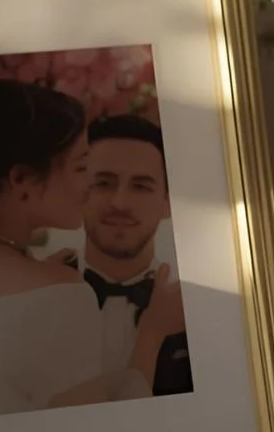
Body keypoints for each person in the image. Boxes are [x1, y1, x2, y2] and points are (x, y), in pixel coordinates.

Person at [0, 80, 184, 419]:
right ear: (21, 180)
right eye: (82, 167)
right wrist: (151, 336)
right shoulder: (60, 295)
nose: (90, 186)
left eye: (141, 186)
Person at [81, 113, 193, 396]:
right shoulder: (35, 296)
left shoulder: (199, 310)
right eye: (103, 183)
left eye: (141, 186)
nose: (119, 202)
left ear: (168, 203)